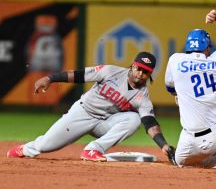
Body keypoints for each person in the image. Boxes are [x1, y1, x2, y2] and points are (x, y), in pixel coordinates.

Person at [7, 51, 176, 163]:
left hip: (105, 123)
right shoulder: (110, 71)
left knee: (134, 119)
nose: (140, 73)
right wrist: (50, 79)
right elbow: (79, 75)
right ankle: (25, 149)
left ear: (149, 74)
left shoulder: (142, 97)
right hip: (82, 113)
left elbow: (150, 123)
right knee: (45, 146)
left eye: (145, 72)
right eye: (139, 68)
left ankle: (92, 150)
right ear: (132, 65)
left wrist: (163, 145)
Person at [164, 9, 216, 168]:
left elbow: (169, 87)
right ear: (207, 47)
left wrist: (178, 94)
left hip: (200, 139)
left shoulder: (175, 60)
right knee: (208, 133)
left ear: (188, 46)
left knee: (182, 162)